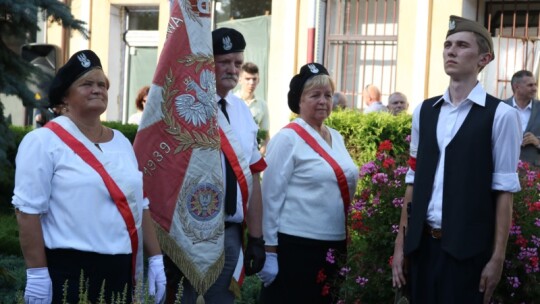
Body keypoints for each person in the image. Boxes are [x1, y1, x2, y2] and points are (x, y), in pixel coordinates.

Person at [12, 50, 166, 304]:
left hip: (120, 270)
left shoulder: (122, 142)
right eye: (86, 84)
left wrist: (156, 259)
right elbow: (27, 213)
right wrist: (37, 274)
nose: (97, 90)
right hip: (71, 272)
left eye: (102, 84)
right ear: (64, 97)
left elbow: (141, 205)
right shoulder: (42, 141)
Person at [391, 16, 522, 304]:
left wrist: (497, 258)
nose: (451, 51)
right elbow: (412, 182)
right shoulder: (425, 111)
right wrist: (401, 245)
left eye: (462, 45)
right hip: (422, 249)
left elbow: (504, 192)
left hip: (468, 254)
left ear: (483, 59)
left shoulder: (501, 116)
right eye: (447, 45)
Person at [163, 28, 267, 304]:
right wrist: (164, 243)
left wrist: (256, 237)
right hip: (186, 236)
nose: (232, 69)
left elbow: (254, 177)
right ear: (206, 64)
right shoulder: (181, 107)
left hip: (229, 234)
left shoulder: (242, 111)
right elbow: (164, 177)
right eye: (224, 62)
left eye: (237, 63)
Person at [258, 63, 359, 303]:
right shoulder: (287, 139)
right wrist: (269, 251)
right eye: (315, 95)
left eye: (327, 95)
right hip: (296, 247)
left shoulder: (337, 137)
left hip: (333, 246)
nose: (323, 101)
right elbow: (270, 198)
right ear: (299, 101)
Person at [504, 70, 540, 167]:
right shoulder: (500, 107)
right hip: (506, 168)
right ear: (517, 87)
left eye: (535, 85)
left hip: (534, 173)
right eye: (530, 85)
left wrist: (537, 142)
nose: (535, 88)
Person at [236, 62, 270, 154]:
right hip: (233, 155)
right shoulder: (231, 101)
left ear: (258, 80)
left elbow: (265, 135)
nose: (251, 82)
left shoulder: (262, 105)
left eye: (254, 79)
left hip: (253, 155)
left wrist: (261, 152)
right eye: (247, 79)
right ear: (239, 80)